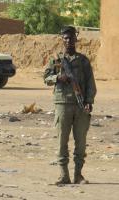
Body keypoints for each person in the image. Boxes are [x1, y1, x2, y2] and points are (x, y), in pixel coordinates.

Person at [44, 26, 97, 185]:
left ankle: (78, 175)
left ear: (76, 39)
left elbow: (90, 84)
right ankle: (63, 175)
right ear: (62, 39)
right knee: (62, 141)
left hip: (80, 106)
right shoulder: (56, 59)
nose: (68, 41)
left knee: (80, 142)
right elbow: (46, 77)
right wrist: (58, 78)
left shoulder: (83, 60)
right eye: (65, 38)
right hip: (62, 104)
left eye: (71, 38)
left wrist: (89, 101)